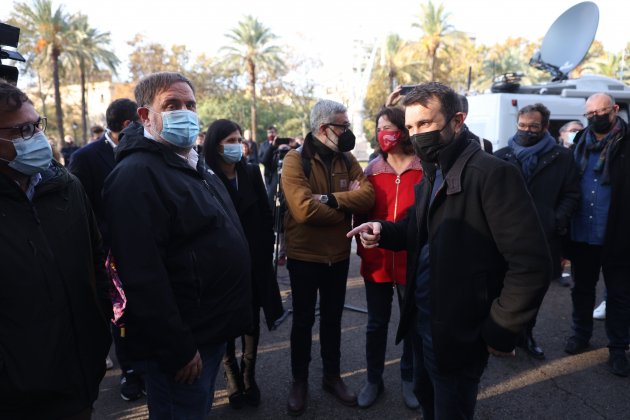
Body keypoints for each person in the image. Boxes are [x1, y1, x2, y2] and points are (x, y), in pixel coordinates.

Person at [348, 82, 550, 420]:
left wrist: (501, 328)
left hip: (460, 333)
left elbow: (530, 264)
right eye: (410, 127)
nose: (416, 134)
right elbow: (416, 229)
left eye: (425, 124)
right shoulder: (433, 171)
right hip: (423, 321)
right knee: (429, 401)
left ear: (457, 121)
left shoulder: (493, 174)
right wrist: (382, 230)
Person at [102, 72, 252, 419]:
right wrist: (178, 348)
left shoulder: (189, 161)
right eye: (171, 105)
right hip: (185, 346)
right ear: (145, 116)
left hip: (209, 331)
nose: (185, 112)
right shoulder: (136, 176)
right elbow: (142, 276)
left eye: (190, 105)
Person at [0, 80, 112, 419]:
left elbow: (96, 259)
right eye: (21, 130)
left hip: (80, 374)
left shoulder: (66, 187)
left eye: (37, 125)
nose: (36, 137)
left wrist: (100, 328)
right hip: (17, 395)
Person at [281, 99, 374, 416]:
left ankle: (331, 378)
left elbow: (368, 194)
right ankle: (299, 381)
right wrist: (343, 211)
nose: (348, 132)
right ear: (324, 128)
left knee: (333, 320)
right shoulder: (295, 161)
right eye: (344, 126)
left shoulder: (346, 159)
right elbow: (303, 210)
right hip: (304, 256)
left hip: (337, 256)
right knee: (303, 321)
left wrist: (331, 199)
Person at [203, 119, 284, 409]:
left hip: (253, 262)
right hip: (220, 267)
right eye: (231, 140)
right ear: (215, 145)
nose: (238, 145)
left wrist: (265, 253)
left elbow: (264, 214)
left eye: (239, 139)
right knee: (226, 323)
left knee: (251, 320)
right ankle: (232, 377)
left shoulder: (250, 172)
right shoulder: (204, 175)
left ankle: (249, 374)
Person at [68, 98, 144, 401]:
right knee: (120, 316)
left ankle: (147, 366)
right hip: (109, 254)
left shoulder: (143, 150)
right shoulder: (86, 157)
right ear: (127, 126)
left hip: (144, 248)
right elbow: (76, 206)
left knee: (146, 308)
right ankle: (129, 373)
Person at [495, 103, 580, 359]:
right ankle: (501, 336)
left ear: (544, 127)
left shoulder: (562, 157)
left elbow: (572, 194)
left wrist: (555, 219)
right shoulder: (502, 156)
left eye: (533, 126)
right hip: (506, 238)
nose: (527, 131)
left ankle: (526, 335)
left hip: (544, 237)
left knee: (534, 292)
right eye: (522, 126)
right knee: (502, 289)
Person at [355, 106, 422, 409]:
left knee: (413, 325)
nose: (384, 133)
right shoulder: (370, 170)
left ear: (405, 130)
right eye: (380, 127)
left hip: (414, 261)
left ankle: (409, 378)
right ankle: (373, 379)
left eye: (389, 127)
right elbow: (360, 213)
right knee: (376, 324)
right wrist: (362, 242)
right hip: (378, 261)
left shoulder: (424, 168)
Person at [565, 93, 630, 378]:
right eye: (589, 114)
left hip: (618, 234)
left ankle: (617, 348)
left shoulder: (627, 143)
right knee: (582, 289)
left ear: (615, 110)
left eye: (599, 113)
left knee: (619, 295)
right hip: (583, 232)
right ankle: (581, 335)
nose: (593, 118)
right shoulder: (580, 142)